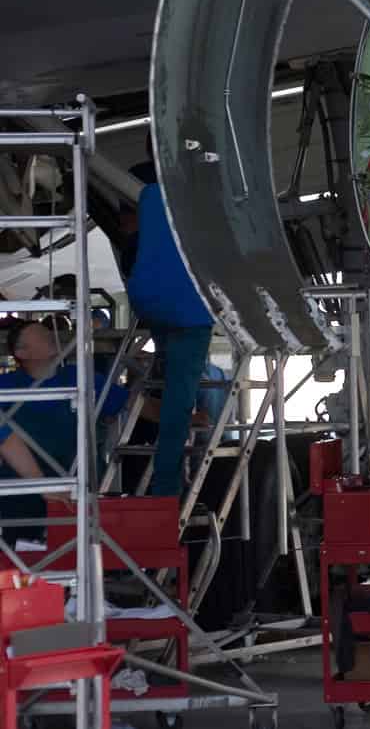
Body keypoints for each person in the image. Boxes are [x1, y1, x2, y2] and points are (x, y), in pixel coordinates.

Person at [124, 160, 213, 498]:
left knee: (172, 368)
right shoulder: (204, 195)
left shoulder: (147, 193)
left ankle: (165, 359)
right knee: (180, 400)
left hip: (148, 296)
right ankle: (166, 487)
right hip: (188, 305)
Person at [0, 319, 129, 542]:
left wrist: (181, 417)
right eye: (41, 334)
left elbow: (133, 404)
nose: (50, 335)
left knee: (83, 555)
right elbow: (5, 438)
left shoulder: (81, 377)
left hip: (80, 489)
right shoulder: (4, 386)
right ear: (21, 352)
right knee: (23, 562)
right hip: (22, 497)